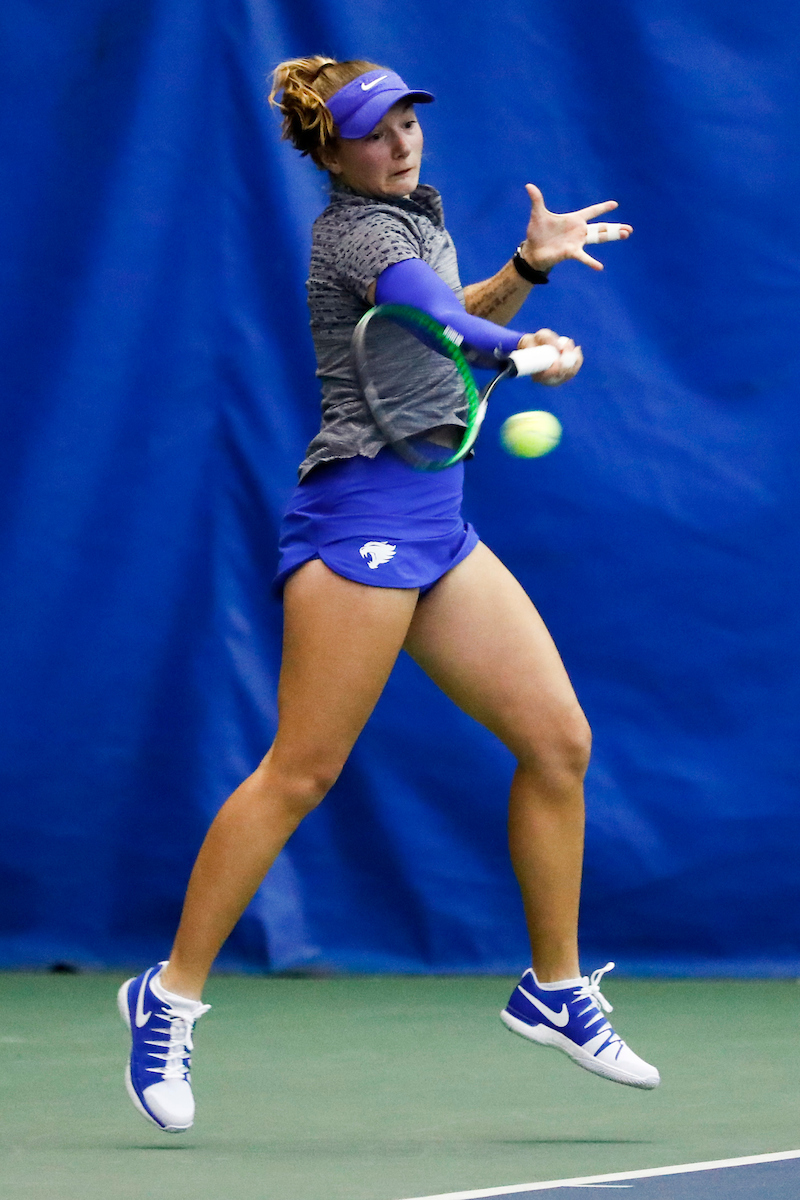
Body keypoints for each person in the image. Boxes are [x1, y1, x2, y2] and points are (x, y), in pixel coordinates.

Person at [118, 55, 659, 1135]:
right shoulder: (360, 235)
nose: (399, 140)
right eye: (372, 131)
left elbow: (443, 313)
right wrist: (520, 348)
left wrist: (524, 272)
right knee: (300, 771)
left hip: (434, 518)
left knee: (557, 743)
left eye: (407, 118)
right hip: (357, 522)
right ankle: (166, 995)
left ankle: (552, 989)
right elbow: (431, 312)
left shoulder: (415, 212)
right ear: (329, 152)